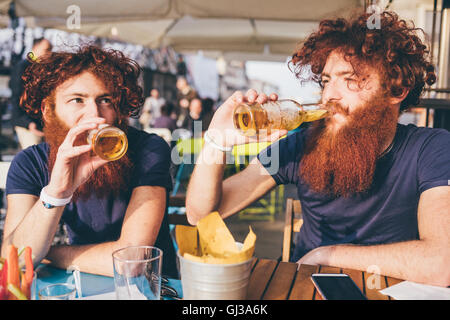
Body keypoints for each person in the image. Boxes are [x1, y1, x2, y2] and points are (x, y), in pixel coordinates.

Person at [186, 11, 450, 287]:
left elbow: (442, 263)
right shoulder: (300, 146)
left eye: (350, 79)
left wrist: (329, 255)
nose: (329, 96)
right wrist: (217, 141)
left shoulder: (430, 149)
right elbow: (200, 214)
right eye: (326, 80)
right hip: (304, 287)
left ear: (397, 90)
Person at [1, 45, 178, 278]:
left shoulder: (148, 149)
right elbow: (13, 258)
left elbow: (130, 262)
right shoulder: (29, 163)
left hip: (149, 289)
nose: (95, 115)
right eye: (77, 100)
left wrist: (46, 253)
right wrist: (57, 193)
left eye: (105, 100)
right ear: (48, 110)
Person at [9, 38, 52, 149]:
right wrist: (27, 123)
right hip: (28, 126)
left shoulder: (44, 68)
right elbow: (16, 97)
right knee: (34, 160)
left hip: (41, 125)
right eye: (47, 49)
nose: (49, 53)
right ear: (34, 48)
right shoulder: (23, 67)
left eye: (50, 50)